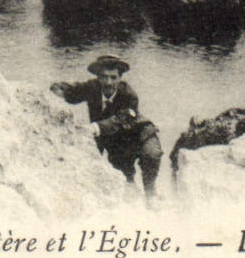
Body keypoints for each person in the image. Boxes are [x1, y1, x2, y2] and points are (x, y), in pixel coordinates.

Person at [52, 54, 163, 197]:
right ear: (98, 77)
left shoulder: (129, 95)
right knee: (123, 177)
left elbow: (121, 119)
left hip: (138, 133)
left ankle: (150, 193)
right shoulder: (92, 87)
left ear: (120, 78)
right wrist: (59, 90)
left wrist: (95, 127)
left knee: (151, 154)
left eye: (113, 77)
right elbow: (73, 91)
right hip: (116, 141)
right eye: (104, 77)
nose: (108, 82)